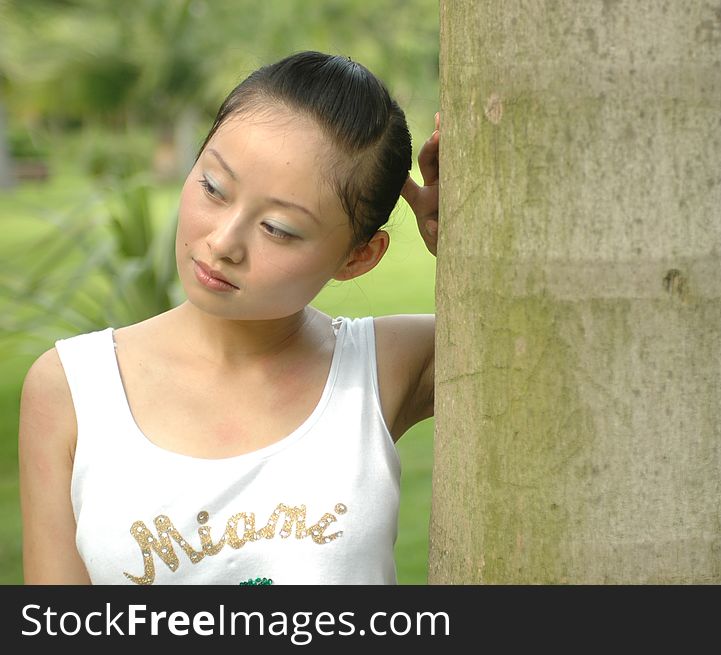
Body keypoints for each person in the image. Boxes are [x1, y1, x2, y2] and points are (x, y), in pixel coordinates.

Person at [18, 51, 440, 585]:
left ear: (359, 257)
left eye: (279, 229)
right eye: (213, 188)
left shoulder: (382, 367)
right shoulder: (73, 388)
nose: (222, 243)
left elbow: (556, 355)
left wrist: (469, 238)